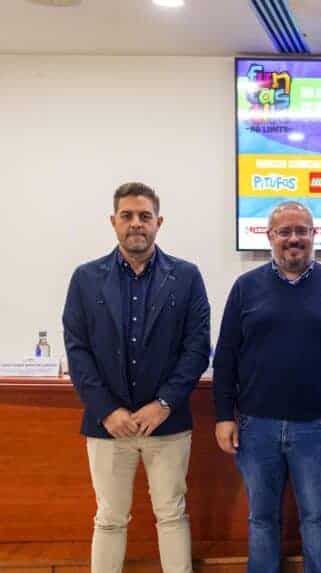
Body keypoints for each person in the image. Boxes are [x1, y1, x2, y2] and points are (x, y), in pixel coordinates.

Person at [62, 182, 211, 573]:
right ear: (113, 221)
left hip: (167, 423)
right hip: (108, 426)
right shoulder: (85, 278)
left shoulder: (186, 277)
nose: (136, 223)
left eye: (145, 216)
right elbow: (77, 350)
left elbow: (197, 349)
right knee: (109, 518)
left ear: (159, 222)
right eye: (127, 215)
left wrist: (163, 404)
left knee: (172, 514)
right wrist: (107, 410)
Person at [213, 201, 321, 573]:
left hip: (317, 427)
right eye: (285, 231)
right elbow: (226, 355)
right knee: (261, 518)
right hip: (256, 427)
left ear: (314, 235)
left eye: (301, 231)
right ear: (270, 236)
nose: (293, 239)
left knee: (317, 517)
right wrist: (223, 416)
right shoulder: (245, 287)